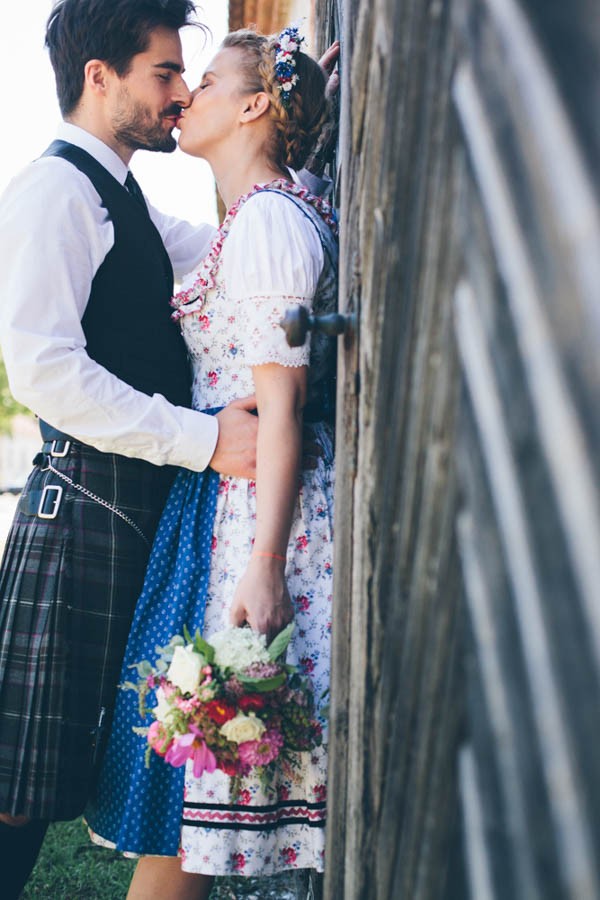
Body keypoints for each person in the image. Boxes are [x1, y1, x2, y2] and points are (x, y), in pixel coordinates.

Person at [0, 1, 336, 895]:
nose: (180, 92)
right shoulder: (54, 191)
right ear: (98, 76)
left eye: (192, 74)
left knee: (154, 767)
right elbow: (43, 371)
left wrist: (297, 108)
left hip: (142, 509)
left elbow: (226, 255)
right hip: (79, 518)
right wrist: (201, 438)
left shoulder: (125, 197)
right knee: (17, 786)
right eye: (162, 72)